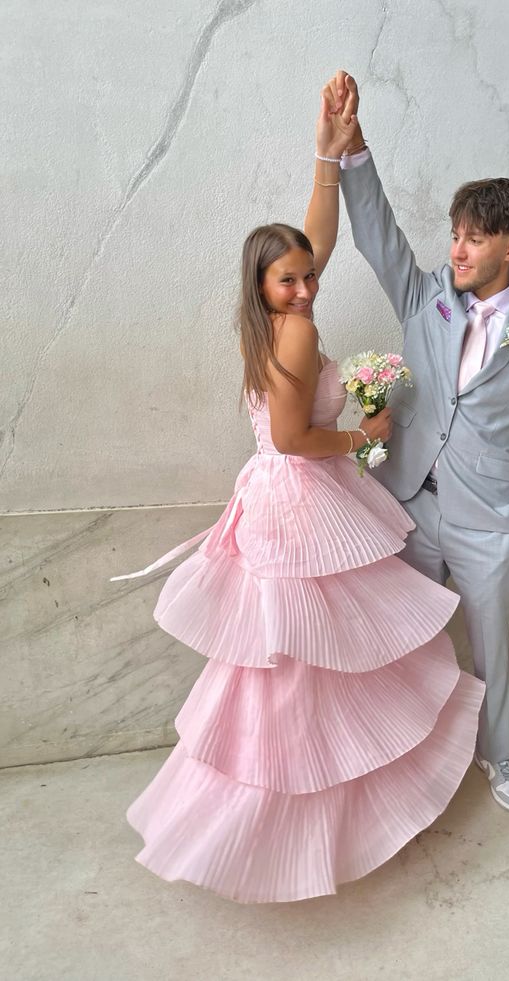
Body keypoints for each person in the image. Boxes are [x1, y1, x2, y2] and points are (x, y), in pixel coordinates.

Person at [111, 86, 484, 903]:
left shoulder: (268, 315)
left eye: (309, 278)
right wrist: (365, 435)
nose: (308, 288)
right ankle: (287, 815)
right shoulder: (297, 331)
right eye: (291, 281)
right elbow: (291, 439)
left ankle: (297, 803)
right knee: (306, 655)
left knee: (306, 652)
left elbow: (314, 241)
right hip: (302, 493)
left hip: (287, 498)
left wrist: (329, 151)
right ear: (263, 283)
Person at [327, 70, 509, 813]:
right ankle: (392, 749)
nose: (458, 248)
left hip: (488, 522)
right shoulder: (426, 298)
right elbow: (377, 235)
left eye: (474, 237)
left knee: (490, 647)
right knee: (395, 635)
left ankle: (497, 755)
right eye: (455, 234)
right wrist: (353, 150)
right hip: (408, 504)